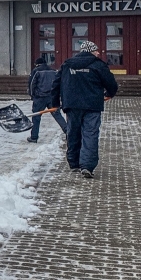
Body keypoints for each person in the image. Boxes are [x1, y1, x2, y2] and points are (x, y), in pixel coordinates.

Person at [51, 41, 119, 179]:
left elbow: (56, 84)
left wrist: (55, 103)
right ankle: (87, 166)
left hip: (72, 105)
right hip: (92, 105)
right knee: (90, 133)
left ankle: (74, 162)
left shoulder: (67, 64)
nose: (98, 53)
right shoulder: (98, 65)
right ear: (90, 51)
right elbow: (111, 82)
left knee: (73, 132)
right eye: (96, 50)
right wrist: (110, 94)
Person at [26, 56, 67, 143]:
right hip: (52, 97)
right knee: (57, 115)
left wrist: (32, 95)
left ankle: (34, 137)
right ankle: (68, 131)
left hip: (40, 98)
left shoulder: (36, 71)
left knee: (36, 117)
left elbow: (31, 84)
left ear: (37, 64)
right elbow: (59, 84)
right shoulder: (53, 71)